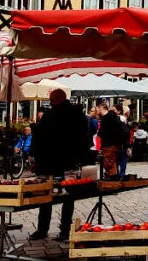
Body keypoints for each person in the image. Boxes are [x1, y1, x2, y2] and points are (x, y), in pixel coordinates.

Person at [30, 89, 90, 241]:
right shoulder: (77, 114)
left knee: (46, 194)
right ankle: (65, 230)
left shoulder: (49, 116)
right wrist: (83, 159)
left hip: (49, 160)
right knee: (68, 195)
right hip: (68, 160)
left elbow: (40, 137)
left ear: (53, 100)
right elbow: (84, 137)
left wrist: (34, 155)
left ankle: (43, 229)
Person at [97, 101, 128, 179]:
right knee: (112, 161)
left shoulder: (107, 118)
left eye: (98, 109)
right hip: (114, 143)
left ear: (101, 109)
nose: (97, 111)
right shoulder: (113, 117)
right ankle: (113, 177)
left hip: (109, 143)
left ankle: (112, 179)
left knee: (109, 162)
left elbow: (102, 133)